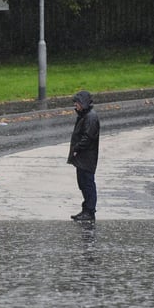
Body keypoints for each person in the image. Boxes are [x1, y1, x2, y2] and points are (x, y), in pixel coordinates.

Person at [67, 90, 100, 221]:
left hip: (86, 157)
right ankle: (87, 209)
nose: (75, 105)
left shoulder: (90, 117)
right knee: (83, 183)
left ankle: (89, 211)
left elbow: (88, 137)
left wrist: (77, 148)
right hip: (83, 157)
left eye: (77, 102)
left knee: (87, 184)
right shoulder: (85, 115)